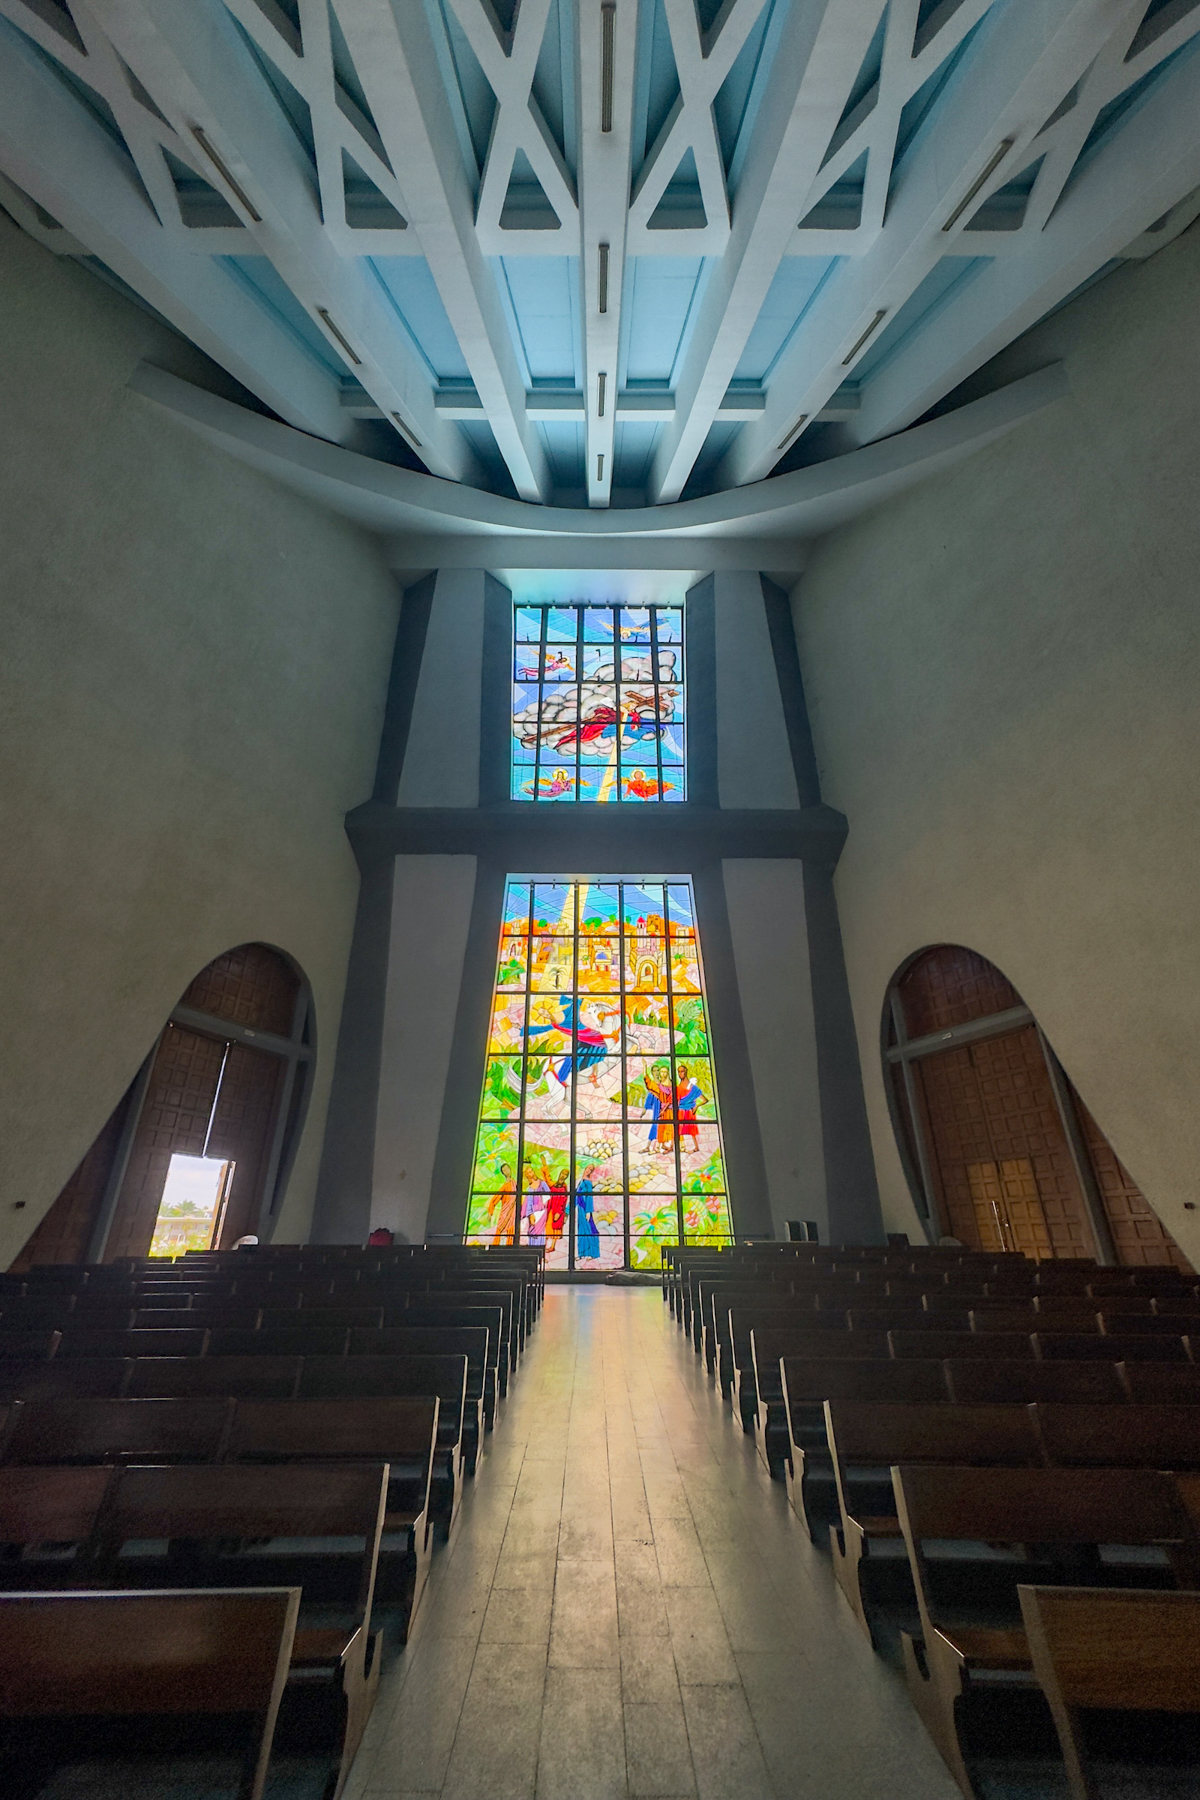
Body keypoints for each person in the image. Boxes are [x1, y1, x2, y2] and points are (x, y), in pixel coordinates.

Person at [643, 1061, 675, 1151]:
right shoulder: (660, 1087)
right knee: (662, 1127)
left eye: (664, 1071)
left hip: (670, 1110)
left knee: (671, 1127)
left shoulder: (673, 1086)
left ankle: (672, 1146)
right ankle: (662, 1145)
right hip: (662, 1111)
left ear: (668, 1072)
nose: (662, 1074)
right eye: (661, 1072)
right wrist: (645, 1068)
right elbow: (650, 1085)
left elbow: (673, 1098)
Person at [486, 1163, 517, 1246]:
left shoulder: (515, 1183)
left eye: (507, 1168)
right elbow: (495, 1199)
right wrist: (490, 1211)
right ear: (503, 1173)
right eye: (504, 1170)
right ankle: (495, 1247)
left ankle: (509, 1248)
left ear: (510, 1169)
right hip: (505, 1211)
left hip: (513, 1211)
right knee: (499, 1228)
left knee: (511, 1229)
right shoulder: (504, 1186)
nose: (506, 1171)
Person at [675, 1065, 703, 1151]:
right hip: (681, 1110)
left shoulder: (693, 1088)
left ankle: (696, 1147)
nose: (680, 1074)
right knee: (678, 1129)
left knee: (691, 1130)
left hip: (690, 1111)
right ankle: (678, 1147)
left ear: (686, 1072)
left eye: (682, 1071)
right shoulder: (678, 1088)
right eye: (679, 1072)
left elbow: (705, 1100)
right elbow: (676, 1102)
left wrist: (697, 1106)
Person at [575, 1166, 599, 1261]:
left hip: (585, 1208)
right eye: (588, 1168)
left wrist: (588, 1211)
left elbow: (589, 1197)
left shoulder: (588, 1182)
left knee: (589, 1229)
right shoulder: (581, 1181)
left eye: (591, 1170)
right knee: (581, 1230)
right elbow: (576, 1196)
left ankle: (592, 1253)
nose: (588, 1170)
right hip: (580, 1208)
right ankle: (582, 1253)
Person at [545, 1175, 568, 1253]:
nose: (562, 1176)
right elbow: (548, 1179)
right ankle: (544, 1245)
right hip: (550, 1208)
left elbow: (563, 1201)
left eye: (565, 1175)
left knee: (555, 1228)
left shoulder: (564, 1188)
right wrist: (544, 1165)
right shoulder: (554, 1184)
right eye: (562, 1174)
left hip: (557, 1211)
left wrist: (558, 1212)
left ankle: (552, 1246)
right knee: (547, 1227)